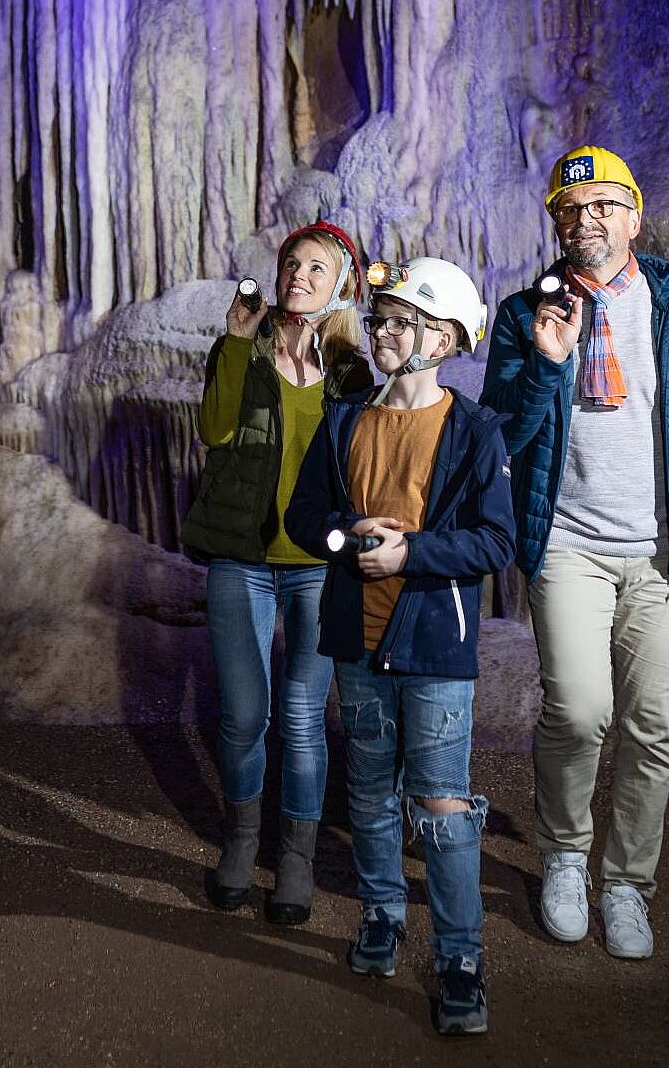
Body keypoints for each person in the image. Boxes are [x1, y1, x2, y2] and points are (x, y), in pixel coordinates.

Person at [481, 145, 669, 960]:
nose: (586, 220)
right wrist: (546, 364)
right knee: (578, 712)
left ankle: (625, 884)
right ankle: (563, 857)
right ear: (556, 222)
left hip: (662, 553)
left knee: (651, 725)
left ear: (633, 216)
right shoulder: (523, 314)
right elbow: (500, 438)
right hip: (566, 546)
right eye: (570, 208)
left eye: (602, 206)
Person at [286, 257, 514, 1036]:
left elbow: (496, 542)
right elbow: (303, 518)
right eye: (379, 320)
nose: (381, 333)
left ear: (442, 339)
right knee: (370, 793)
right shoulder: (344, 419)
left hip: (434, 646)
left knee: (442, 805)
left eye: (399, 322)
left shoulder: (474, 431)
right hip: (356, 639)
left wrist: (411, 554)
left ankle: (459, 958)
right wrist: (345, 533)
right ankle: (381, 915)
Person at [180, 221, 372, 926]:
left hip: (316, 565)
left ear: (340, 286)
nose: (298, 276)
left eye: (316, 268)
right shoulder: (243, 349)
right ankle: (240, 840)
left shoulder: (351, 372)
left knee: (300, 716)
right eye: (292, 263)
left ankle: (295, 856)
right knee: (243, 716)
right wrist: (235, 341)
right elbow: (213, 430)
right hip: (243, 557)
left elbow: (364, 463)